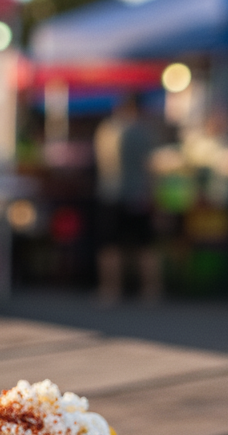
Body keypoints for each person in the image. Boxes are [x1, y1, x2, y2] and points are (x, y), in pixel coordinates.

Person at [94, 94, 161, 305]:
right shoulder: (143, 132)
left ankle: (110, 290)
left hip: (109, 193)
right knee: (145, 245)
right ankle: (151, 291)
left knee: (110, 245)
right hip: (138, 194)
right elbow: (152, 166)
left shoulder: (105, 131)